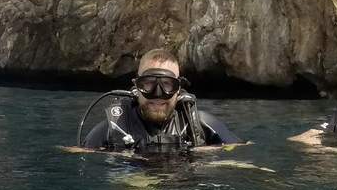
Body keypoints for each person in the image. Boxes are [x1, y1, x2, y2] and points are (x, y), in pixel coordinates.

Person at [80, 48, 242, 152]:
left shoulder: (199, 124)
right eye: (149, 84)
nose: (158, 94)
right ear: (136, 86)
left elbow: (243, 156)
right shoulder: (112, 129)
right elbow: (76, 155)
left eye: (167, 85)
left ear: (178, 89)